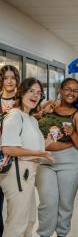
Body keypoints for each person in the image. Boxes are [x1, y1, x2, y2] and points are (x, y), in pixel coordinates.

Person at [0, 77, 54, 237]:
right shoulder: (14, 116)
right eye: (31, 91)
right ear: (22, 92)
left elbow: (30, 146)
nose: (35, 95)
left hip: (29, 173)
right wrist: (39, 153)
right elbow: (8, 148)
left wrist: (47, 143)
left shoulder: (31, 118)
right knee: (17, 224)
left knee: (29, 221)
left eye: (39, 93)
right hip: (18, 172)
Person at [36, 78, 78, 237]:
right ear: (60, 90)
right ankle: (44, 234)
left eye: (75, 90)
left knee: (65, 204)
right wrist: (43, 113)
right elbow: (33, 122)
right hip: (45, 161)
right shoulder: (48, 106)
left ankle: (62, 234)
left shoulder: (77, 116)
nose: (71, 93)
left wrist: (72, 133)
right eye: (67, 89)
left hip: (70, 163)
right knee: (47, 203)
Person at [0, 65, 20, 237]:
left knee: (15, 206)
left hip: (16, 158)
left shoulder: (23, 102)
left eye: (12, 77)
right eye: (5, 77)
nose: (9, 81)